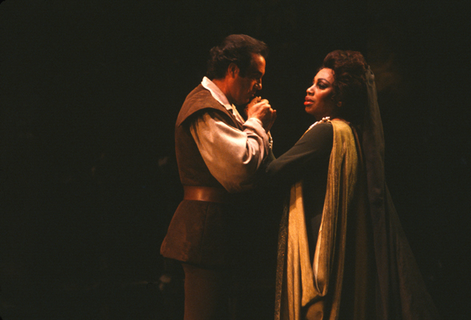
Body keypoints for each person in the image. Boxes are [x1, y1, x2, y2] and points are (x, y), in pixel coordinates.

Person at [266, 50, 439, 320]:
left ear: (340, 97)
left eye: (321, 86)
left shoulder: (326, 131)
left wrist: (259, 127)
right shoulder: (350, 133)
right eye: (313, 83)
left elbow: (273, 172)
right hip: (341, 258)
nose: (310, 90)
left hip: (317, 254)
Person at [160, 34, 276, 320]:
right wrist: (255, 123)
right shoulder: (205, 107)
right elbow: (241, 169)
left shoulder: (225, 107)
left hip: (219, 231)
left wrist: (257, 127)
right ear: (234, 70)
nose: (259, 86)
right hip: (204, 232)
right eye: (255, 76)